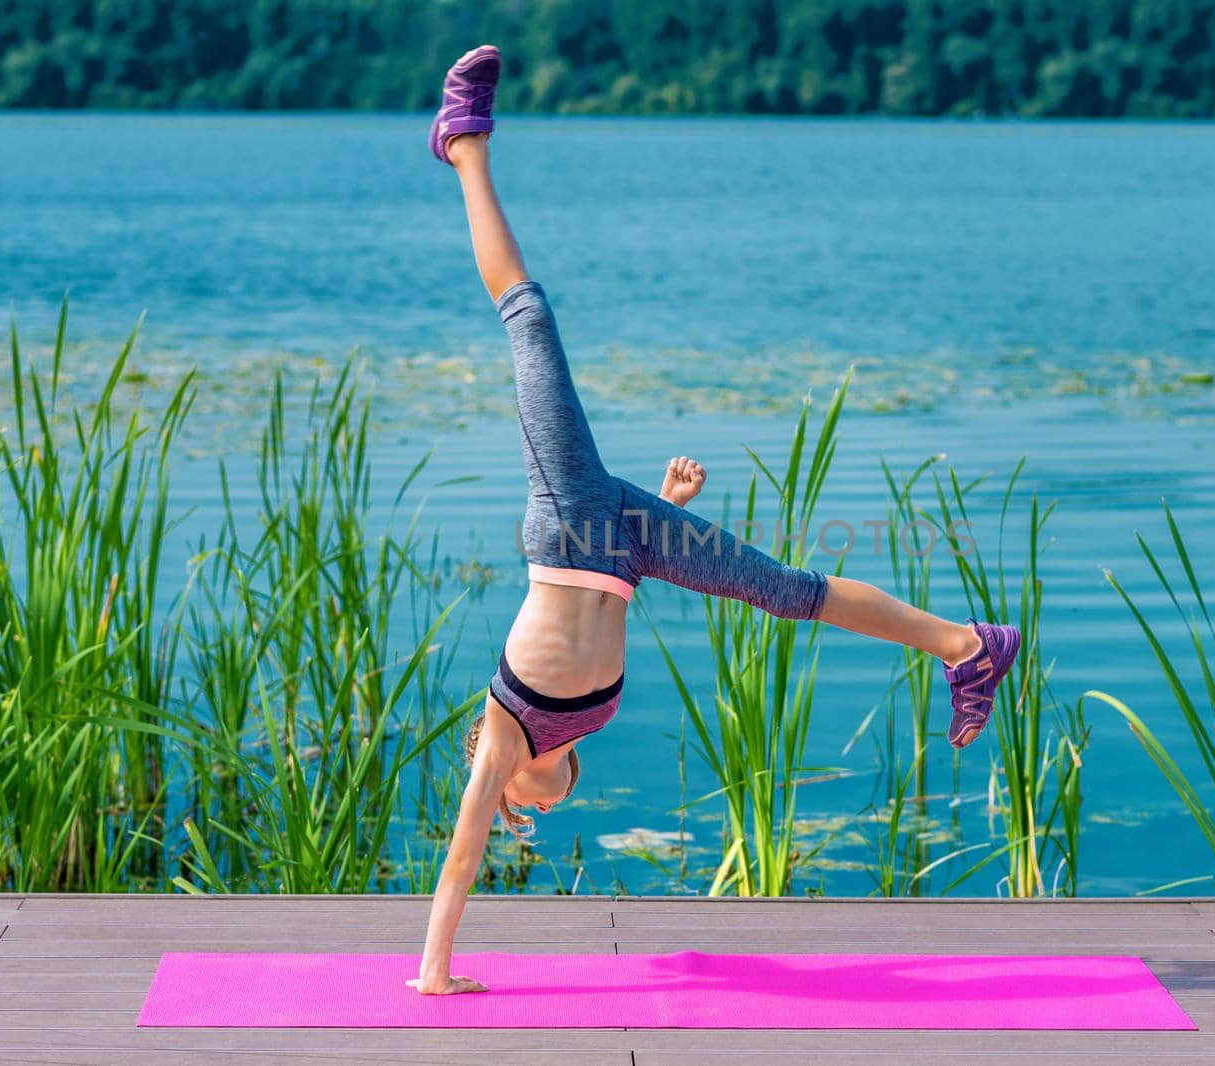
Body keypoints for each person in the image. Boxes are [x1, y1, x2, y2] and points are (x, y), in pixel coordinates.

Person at [410, 47, 1021, 996]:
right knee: (792, 592)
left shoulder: (503, 737)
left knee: (528, 318)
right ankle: (966, 645)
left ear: (521, 801)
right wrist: (663, 503)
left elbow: (460, 857)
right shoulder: (580, 729)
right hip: (631, 544)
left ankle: (463, 146)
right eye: (563, 786)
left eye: (543, 798)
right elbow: (605, 620)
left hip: (574, 524)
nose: (562, 788)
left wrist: (434, 973)